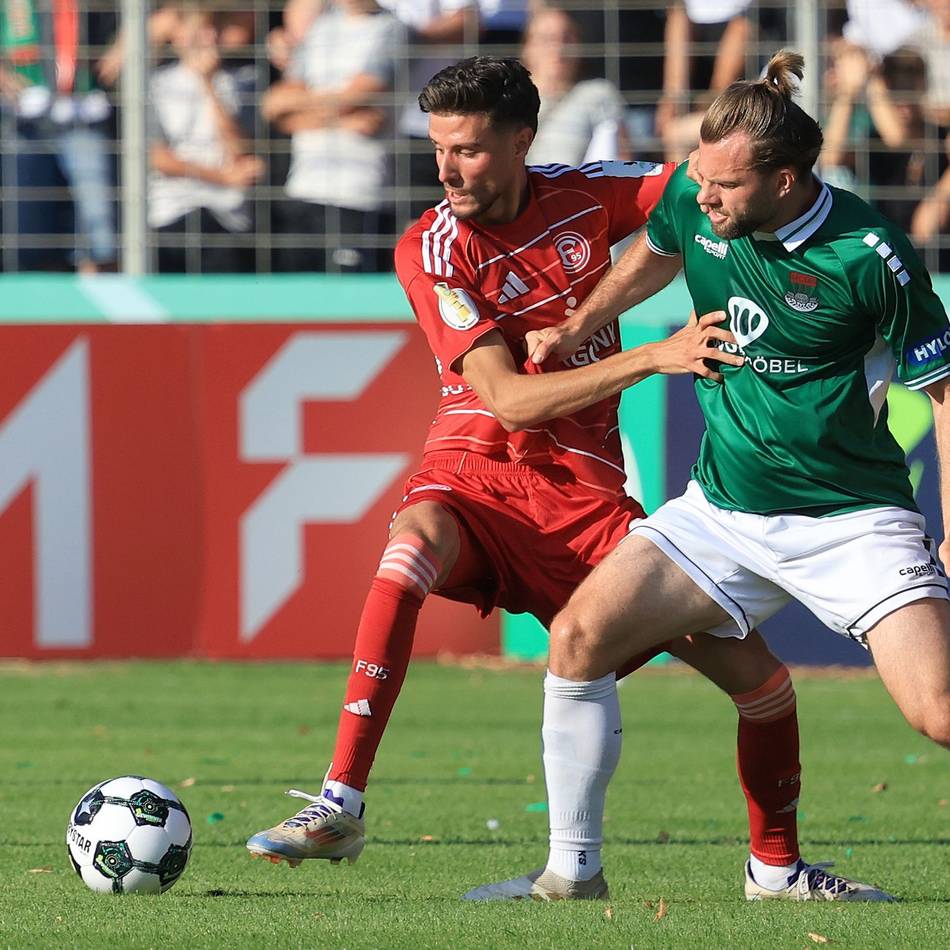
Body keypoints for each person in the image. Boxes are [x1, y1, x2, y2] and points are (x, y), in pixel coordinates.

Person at [245, 55, 886, 903]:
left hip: (588, 505)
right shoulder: (431, 247)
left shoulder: (590, 194)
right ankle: (340, 801)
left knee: (760, 681)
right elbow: (507, 401)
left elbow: (714, 186)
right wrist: (654, 355)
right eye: (438, 149)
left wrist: (764, 108)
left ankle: (775, 869)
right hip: (476, 477)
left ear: (521, 141)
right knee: (407, 553)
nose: (446, 170)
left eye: (469, 150)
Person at [473, 49, 949, 903]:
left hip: (853, 519)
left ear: (788, 181)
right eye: (702, 180)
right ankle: (571, 876)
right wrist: (577, 322)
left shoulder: (871, 253)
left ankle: (775, 870)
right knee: (579, 640)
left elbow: (944, 394)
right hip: (722, 512)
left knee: (938, 713)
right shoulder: (702, 196)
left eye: (726, 187)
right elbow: (656, 248)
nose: (705, 198)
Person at [261, 0, 404, 272]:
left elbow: (360, 94)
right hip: (303, 189)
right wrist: (344, 119)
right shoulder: (320, 28)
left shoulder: (391, 28)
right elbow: (274, 105)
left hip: (360, 193)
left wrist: (303, 106)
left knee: (352, 308)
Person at [149, 7, 263, 273]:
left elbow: (241, 152)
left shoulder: (245, 81)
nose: (209, 37)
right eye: (200, 30)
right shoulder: (155, 86)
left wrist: (208, 85)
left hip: (228, 218)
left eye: (214, 29)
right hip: (171, 213)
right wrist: (222, 177)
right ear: (178, 36)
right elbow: (158, 157)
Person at [521, 6, 632, 166]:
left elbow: (622, 162)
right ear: (528, 48)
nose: (559, 48)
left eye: (567, 38)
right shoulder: (513, 98)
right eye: (548, 39)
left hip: (580, 188)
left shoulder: (599, 94)